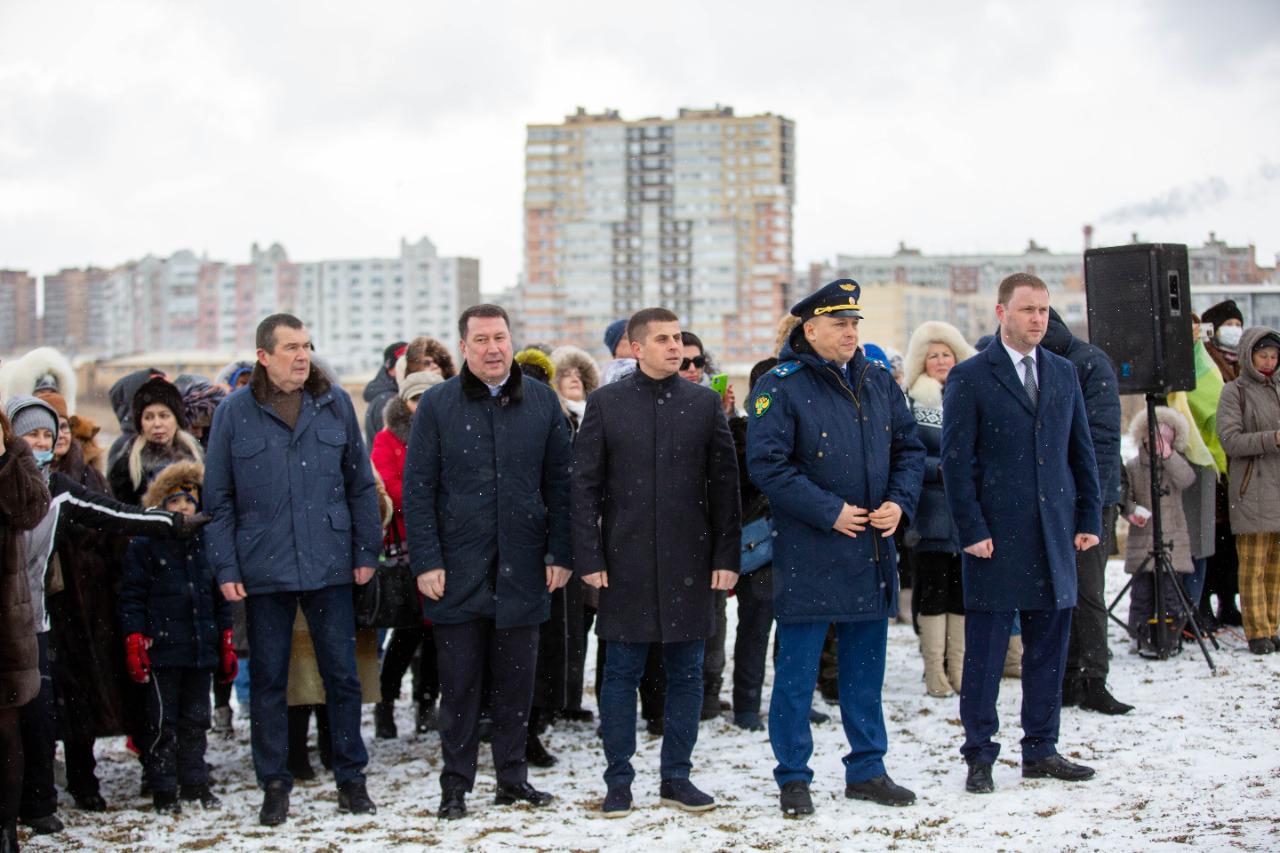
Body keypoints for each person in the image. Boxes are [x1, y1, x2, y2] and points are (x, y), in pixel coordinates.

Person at [747, 280, 925, 817]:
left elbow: (909, 450)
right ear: (811, 328)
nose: (850, 332)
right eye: (839, 324)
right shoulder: (781, 385)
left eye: (855, 324)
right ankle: (793, 776)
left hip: (871, 554)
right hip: (810, 556)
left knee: (865, 675)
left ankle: (868, 769)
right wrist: (830, 511)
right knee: (797, 679)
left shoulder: (877, 381)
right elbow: (768, 465)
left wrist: (900, 502)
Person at [203, 313, 382, 826]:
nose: (302, 356)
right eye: (289, 348)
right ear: (263, 356)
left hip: (330, 563)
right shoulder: (235, 413)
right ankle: (275, 783)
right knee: (269, 682)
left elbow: (359, 485)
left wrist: (365, 552)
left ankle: (351, 778)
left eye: (306, 346)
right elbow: (218, 498)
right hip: (264, 567)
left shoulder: (335, 403)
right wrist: (226, 565)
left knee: (342, 678)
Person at [401, 304, 572, 820]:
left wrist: (560, 552)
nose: (493, 348)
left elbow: (562, 487)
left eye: (500, 337)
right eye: (481, 340)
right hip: (457, 571)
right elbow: (418, 489)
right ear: (464, 347)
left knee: (517, 685)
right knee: (459, 689)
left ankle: (512, 779)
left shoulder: (542, 402)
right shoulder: (437, 404)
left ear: (511, 340)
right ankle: (455, 785)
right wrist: (426, 560)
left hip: (524, 568)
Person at [4, 395, 203, 836]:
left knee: (38, 718)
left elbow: (113, 514)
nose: (39, 442)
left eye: (46, 435)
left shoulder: (55, 490)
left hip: (33, 621)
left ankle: (38, 805)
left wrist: (169, 523)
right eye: (30, 434)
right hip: (2, 623)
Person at [574, 307, 740, 817]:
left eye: (678, 338)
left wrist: (727, 555)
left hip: (691, 563)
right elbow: (582, 487)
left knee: (687, 674)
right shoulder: (605, 404)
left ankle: (676, 778)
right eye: (663, 339)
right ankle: (619, 781)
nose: (675, 346)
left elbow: (725, 488)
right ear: (636, 347)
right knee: (621, 674)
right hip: (624, 564)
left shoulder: (704, 404)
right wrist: (589, 555)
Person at [941, 273, 1102, 795]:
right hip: (994, 539)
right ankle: (980, 754)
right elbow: (955, 463)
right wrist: (971, 528)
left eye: (1045, 311)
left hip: (1054, 536)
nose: (1039, 320)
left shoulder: (1062, 373)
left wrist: (1088, 518)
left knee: (1047, 653)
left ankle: (1041, 749)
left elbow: (1082, 453)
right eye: (1029, 310)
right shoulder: (970, 377)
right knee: (986, 658)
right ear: (1001, 312)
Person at [119, 461, 236, 813]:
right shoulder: (145, 544)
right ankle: (164, 787)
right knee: (161, 722)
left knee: (197, 719)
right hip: (163, 649)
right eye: (174, 501)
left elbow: (219, 596)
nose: (183, 508)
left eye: (188, 500)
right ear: (161, 505)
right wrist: (135, 636)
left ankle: (195, 782)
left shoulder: (207, 542)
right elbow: (133, 595)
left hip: (200, 649)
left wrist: (225, 636)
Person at [1039, 308, 1132, 716]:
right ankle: (1067, 677)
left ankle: (1093, 677)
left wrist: (1087, 500)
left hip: (1090, 497)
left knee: (1088, 590)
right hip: (1051, 497)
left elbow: (1103, 439)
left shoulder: (1088, 363)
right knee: (1059, 590)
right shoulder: (1039, 362)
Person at [902, 321, 975, 698]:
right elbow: (907, 454)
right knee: (932, 591)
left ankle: (958, 668)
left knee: (961, 592)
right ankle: (934, 670)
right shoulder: (913, 400)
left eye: (946, 353)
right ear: (922, 361)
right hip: (930, 513)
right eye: (933, 355)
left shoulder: (970, 394)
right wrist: (941, 468)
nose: (941, 360)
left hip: (966, 514)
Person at [371, 370, 444, 739]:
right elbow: (388, 488)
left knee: (434, 635)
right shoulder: (388, 439)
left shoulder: (447, 431)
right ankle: (386, 703)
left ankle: (427, 703)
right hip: (405, 548)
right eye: (415, 399)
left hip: (442, 546)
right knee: (405, 633)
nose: (420, 406)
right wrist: (428, 493)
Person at [0, 407, 51, 853]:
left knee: (6, 727)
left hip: (7, 620)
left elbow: (32, 508)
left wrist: (11, 453)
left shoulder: (14, 459)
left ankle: (5, 830)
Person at [1215, 327, 1280, 654]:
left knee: (1276, 566)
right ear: (1249, 356)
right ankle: (1257, 632)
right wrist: (1272, 439)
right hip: (1252, 488)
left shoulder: (1279, 387)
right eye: (1263, 356)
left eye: (1273, 356)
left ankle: (1273, 625)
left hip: (1277, 488)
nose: (1268, 362)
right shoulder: (1234, 391)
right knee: (1253, 565)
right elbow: (1229, 440)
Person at [728, 356, 779, 731]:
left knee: (794, 629)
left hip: (796, 541)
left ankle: (791, 698)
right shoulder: (744, 431)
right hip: (759, 543)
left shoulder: (801, 426)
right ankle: (746, 704)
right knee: (755, 627)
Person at [1122, 407, 1196, 655]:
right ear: (1143, 437)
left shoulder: (1175, 464)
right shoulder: (1133, 466)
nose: (1158, 443)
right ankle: (1140, 634)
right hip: (1143, 541)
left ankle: (1172, 634)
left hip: (1172, 540)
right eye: (1154, 437)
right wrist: (1132, 512)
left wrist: (1169, 456)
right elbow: (1125, 498)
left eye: (1166, 437)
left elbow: (1187, 479)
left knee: (1171, 593)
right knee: (1142, 594)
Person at [1200, 300, 1245, 628]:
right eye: (1228, 323)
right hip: (1212, 461)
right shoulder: (1205, 361)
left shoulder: (1244, 363)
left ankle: (1228, 602)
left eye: (1237, 323)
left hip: (1236, 466)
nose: (1234, 329)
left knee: (1231, 540)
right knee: (1209, 539)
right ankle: (1202, 601)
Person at [108, 377, 205, 506]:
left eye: (164, 416)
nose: (157, 424)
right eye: (148, 417)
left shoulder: (196, 455)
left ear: (177, 419)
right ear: (140, 423)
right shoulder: (127, 465)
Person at [362, 341, 407, 445]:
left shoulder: (391, 395)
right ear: (391, 370)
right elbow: (395, 449)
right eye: (404, 365)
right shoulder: (387, 401)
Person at [600, 319, 637, 385]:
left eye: (636, 336)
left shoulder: (605, 373)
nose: (634, 341)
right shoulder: (627, 372)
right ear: (615, 345)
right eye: (626, 337)